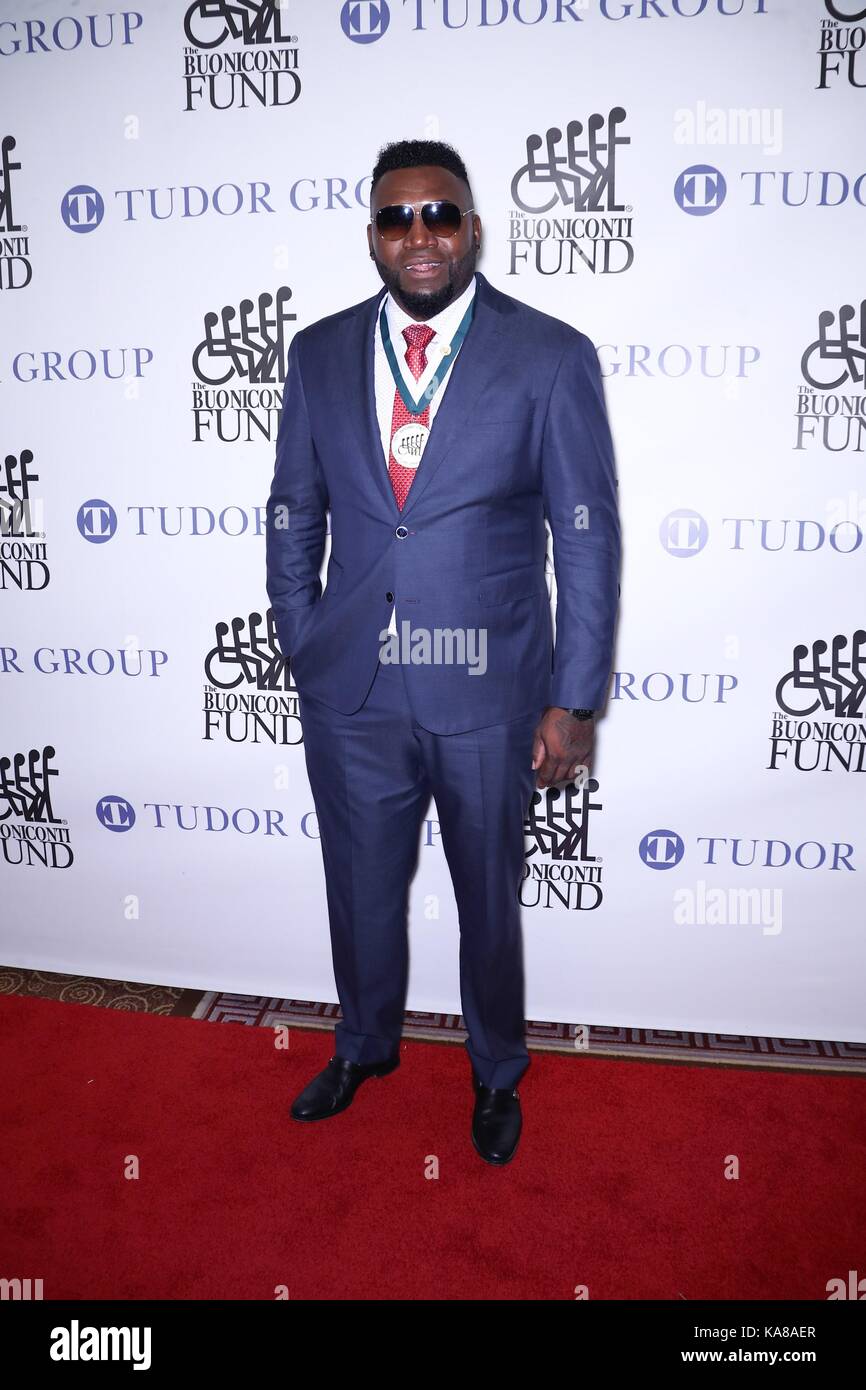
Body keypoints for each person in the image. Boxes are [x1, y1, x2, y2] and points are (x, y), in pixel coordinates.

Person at [265, 139, 620, 1165]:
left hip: (488, 692)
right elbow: (295, 510)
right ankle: (365, 1045)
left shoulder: (548, 355)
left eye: (438, 215)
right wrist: (303, 641)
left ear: (472, 228)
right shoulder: (319, 353)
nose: (416, 235)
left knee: (485, 902)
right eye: (395, 218)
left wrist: (572, 700)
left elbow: (584, 534)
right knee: (358, 889)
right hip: (354, 694)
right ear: (372, 235)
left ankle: (493, 1069)